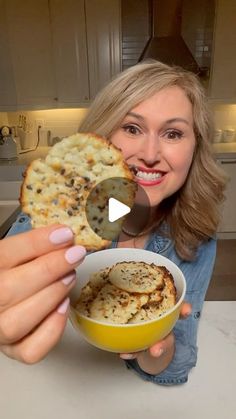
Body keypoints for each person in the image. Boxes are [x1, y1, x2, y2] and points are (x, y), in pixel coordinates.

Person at [0, 60, 226, 385]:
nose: (150, 153)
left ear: (195, 148)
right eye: (132, 128)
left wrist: (154, 347)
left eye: (173, 133)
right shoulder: (57, 216)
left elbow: (173, 369)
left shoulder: (195, 237)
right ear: (102, 138)